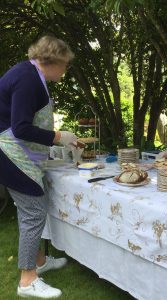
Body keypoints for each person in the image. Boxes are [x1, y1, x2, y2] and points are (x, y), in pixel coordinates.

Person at [0, 35, 77, 298]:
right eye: (64, 65)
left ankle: (40, 262)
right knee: (33, 213)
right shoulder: (28, 79)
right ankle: (27, 280)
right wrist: (58, 137)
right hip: (10, 155)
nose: (64, 71)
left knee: (33, 208)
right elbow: (21, 128)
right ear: (52, 61)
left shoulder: (28, 73)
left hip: (13, 153)